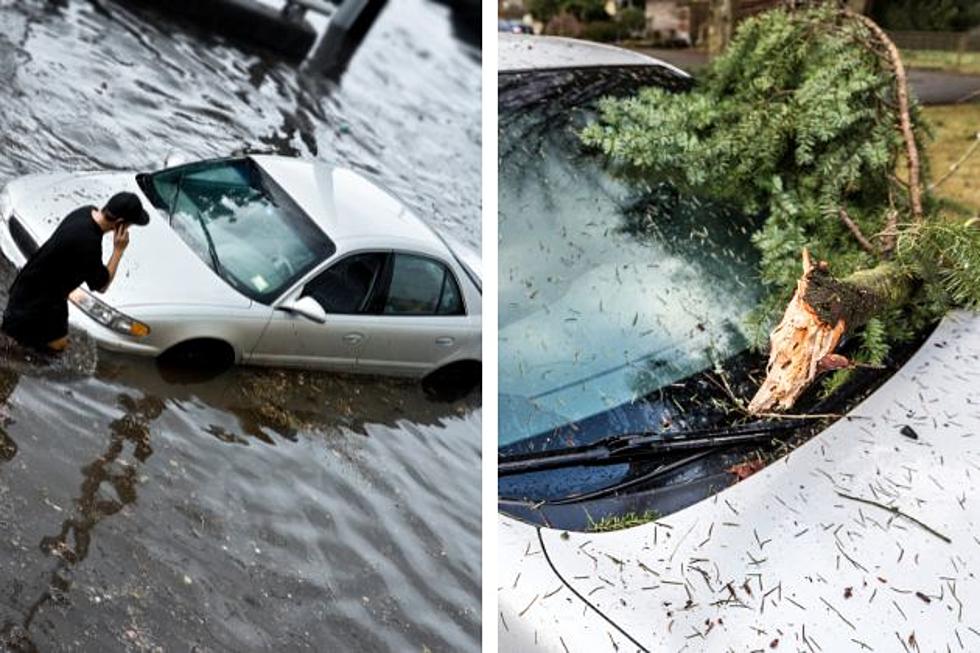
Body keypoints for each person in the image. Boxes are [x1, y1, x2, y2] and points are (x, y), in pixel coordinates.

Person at [1, 192, 149, 353]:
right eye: (129, 225)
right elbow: (102, 286)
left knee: (58, 345)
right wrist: (118, 251)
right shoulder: (89, 244)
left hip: (39, 290)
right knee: (22, 350)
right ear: (120, 223)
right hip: (34, 303)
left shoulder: (85, 212)